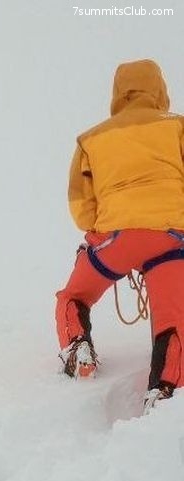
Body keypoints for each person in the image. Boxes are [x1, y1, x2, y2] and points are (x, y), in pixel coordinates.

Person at [56, 59, 184, 411]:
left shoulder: (91, 139)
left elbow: (82, 208)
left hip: (116, 239)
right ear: (160, 89)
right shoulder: (177, 126)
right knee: (174, 321)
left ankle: (78, 347)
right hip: (171, 238)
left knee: (73, 296)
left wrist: (106, 232)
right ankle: (165, 389)